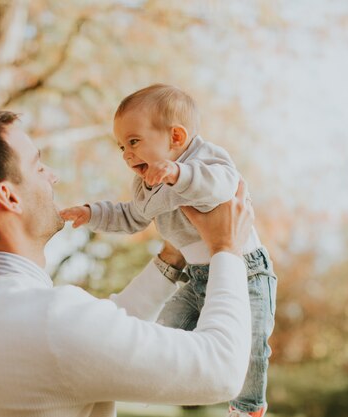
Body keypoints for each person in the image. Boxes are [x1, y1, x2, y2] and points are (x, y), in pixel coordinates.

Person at [0, 110, 255, 417]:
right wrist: (226, 248)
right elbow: (221, 370)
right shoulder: (52, 323)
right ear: (9, 197)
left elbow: (95, 339)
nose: (53, 176)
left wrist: (171, 257)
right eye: (38, 166)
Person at [61, 84, 277, 417]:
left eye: (134, 142)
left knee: (252, 342)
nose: (127, 155)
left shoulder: (204, 159)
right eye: (121, 147)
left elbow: (222, 185)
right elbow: (132, 216)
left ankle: (248, 407)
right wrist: (92, 213)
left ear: (176, 137)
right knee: (165, 327)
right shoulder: (147, 184)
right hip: (197, 275)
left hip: (246, 271)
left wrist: (179, 173)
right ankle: (153, 383)